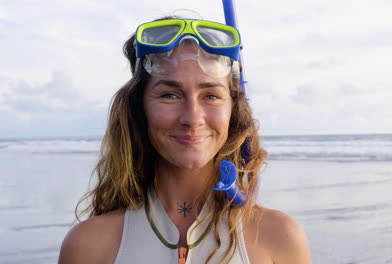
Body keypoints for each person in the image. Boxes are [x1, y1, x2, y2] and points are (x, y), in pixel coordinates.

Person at [58, 15, 312, 264]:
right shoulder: (88, 245)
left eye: (211, 96)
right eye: (169, 95)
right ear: (138, 109)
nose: (192, 118)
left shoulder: (279, 237)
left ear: (234, 111)